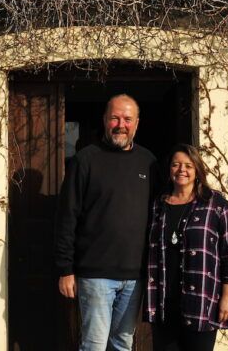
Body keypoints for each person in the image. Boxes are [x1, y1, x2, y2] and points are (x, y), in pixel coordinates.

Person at [55, 94, 160, 351]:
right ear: (105, 120)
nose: (120, 124)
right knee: (94, 345)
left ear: (137, 123)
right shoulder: (85, 160)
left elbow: (160, 216)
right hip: (95, 275)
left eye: (127, 119)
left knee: (123, 343)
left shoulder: (149, 162)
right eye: (114, 118)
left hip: (135, 275)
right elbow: (67, 216)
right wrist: (65, 269)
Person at [145, 144, 228, 351]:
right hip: (164, 301)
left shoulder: (216, 204)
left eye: (188, 165)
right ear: (169, 169)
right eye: (176, 165)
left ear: (197, 170)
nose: (182, 170)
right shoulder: (158, 204)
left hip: (201, 300)